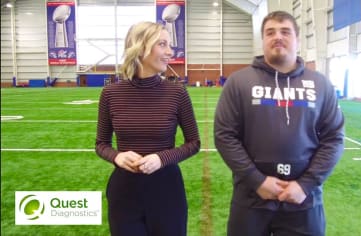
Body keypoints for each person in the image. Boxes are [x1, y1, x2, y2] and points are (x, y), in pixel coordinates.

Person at [214, 11, 345, 236]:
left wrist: (306, 184)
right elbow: (225, 136)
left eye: (285, 31)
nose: (278, 37)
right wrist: (257, 181)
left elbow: (334, 138)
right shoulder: (239, 82)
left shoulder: (321, 84)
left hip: (304, 201)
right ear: (262, 40)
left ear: (297, 39)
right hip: (251, 199)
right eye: (270, 32)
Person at [95, 21, 200, 236]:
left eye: (169, 45)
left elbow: (194, 143)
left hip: (167, 191)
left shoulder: (177, 93)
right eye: (162, 44)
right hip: (124, 194)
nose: (170, 51)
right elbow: (101, 144)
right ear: (140, 47)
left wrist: (161, 159)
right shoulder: (110, 94)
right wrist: (117, 157)